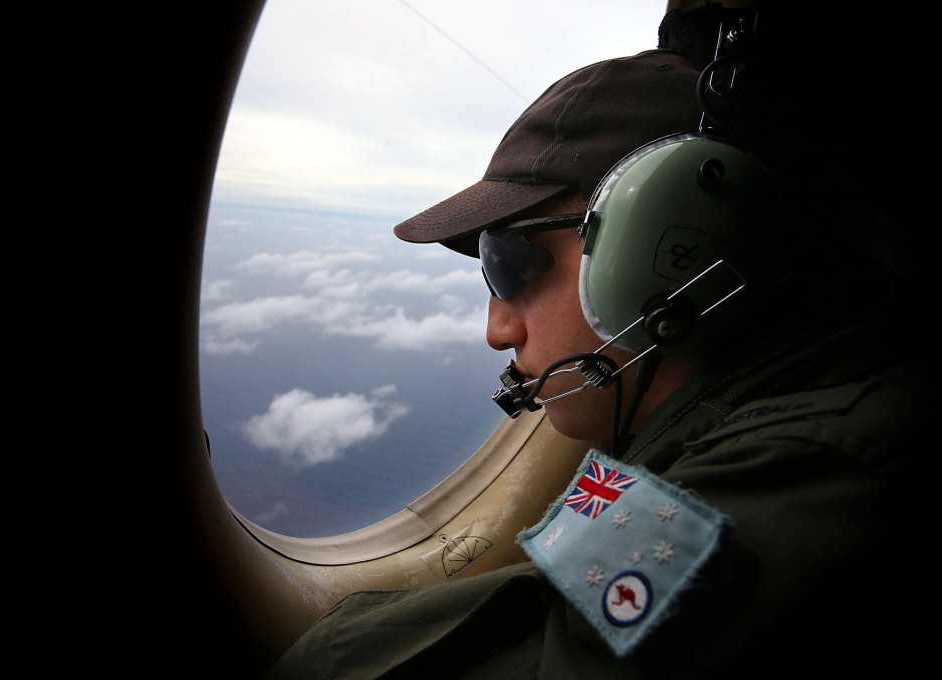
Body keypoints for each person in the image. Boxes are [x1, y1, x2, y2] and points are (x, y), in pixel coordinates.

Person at [267, 5, 933, 678]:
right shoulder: (746, 429)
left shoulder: (813, 471)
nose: (495, 327)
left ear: (673, 248)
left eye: (510, 261)